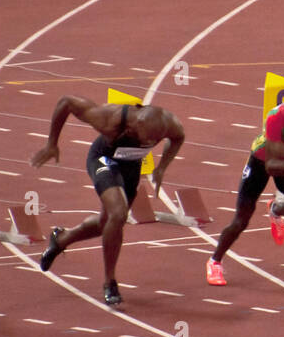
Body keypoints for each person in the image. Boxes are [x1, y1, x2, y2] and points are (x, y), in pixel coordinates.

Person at [30, 97, 184, 305]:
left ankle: (62, 239)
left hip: (130, 166)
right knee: (118, 214)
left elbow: (178, 138)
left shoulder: (167, 123)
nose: (148, 143)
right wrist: (51, 143)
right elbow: (66, 102)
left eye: (153, 141)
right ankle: (109, 281)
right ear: (134, 126)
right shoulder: (108, 118)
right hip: (103, 159)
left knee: (108, 223)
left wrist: (162, 167)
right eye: (145, 138)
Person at [205, 94, 284, 286]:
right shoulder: (276, 119)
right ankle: (215, 261)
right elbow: (272, 167)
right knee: (241, 220)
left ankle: (275, 209)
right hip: (263, 162)